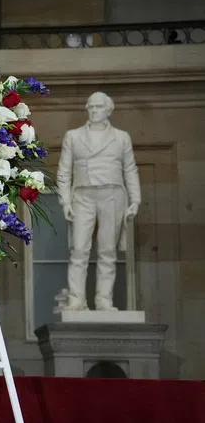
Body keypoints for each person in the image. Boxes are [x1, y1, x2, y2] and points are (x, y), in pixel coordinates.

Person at [56, 91, 141, 311]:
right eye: (91, 107)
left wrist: (135, 200)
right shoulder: (73, 136)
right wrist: (65, 202)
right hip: (83, 195)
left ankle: (104, 299)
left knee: (107, 251)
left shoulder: (121, 137)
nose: (94, 111)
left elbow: (130, 169)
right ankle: (76, 298)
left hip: (112, 195)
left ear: (109, 109)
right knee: (79, 249)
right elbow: (64, 171)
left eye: (99, 107)